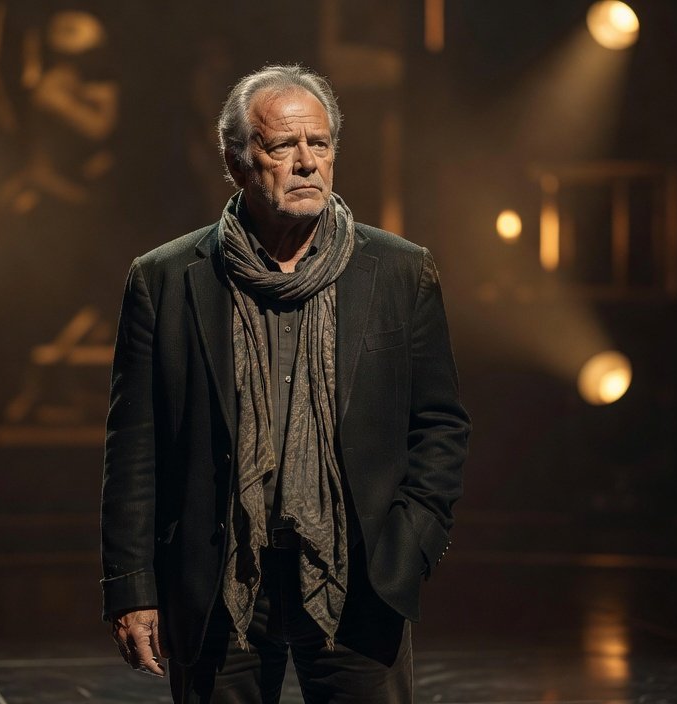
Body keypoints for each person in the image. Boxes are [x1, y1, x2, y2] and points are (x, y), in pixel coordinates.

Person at [101, 64, 470, 703]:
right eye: (282, 146)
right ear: (237, 162)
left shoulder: (399, 271)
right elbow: (135, 447)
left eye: (319, 143)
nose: (306, 162)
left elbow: (440, 424)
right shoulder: (166, 278)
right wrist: (131, 587)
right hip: (218, 581)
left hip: (360, 581)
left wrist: (408, 547)